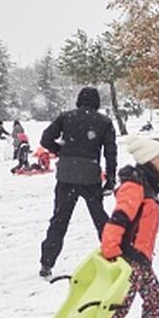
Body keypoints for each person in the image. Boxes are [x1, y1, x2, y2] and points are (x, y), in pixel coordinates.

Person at [78, 136, 159, 318]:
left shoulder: (147, 185)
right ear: (152, 159)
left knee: (155, 299)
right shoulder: (135, 186)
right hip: (129, 259)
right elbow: (118, 220)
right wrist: (111, 251)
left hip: (141, 259)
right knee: (118, 307)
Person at [38, 87, 118, 278]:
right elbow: (110, 153)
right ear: (97, 102)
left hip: (66, 174)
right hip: (90, 175)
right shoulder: (104, 122)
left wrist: (61, 151)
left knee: (59, 220)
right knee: (100, 218)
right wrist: (111, 179)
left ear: (79, 100)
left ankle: (47, 262)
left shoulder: (66, 117)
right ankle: (113, 252)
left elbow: (45, 139)